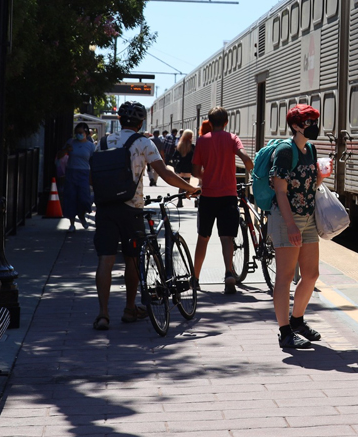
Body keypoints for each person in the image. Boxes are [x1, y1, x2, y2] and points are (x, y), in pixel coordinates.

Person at [92, 102, 198, 331]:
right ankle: (130, 308)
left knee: (105, 260)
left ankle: (102, 315)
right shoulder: (143, 143)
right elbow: (165, 173)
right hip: (131, 208)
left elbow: (92, 177)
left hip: (105, 209)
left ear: (119, 120)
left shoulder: (101, 143)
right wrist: (190, 189)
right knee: (132, 258)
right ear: (141, 124)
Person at [269, 104, 324, 349]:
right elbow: (280, 191)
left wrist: (321, 175)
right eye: (308, 122)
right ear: (295, 126)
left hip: (308, 217)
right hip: (286, 218)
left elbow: (312, 184)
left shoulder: (310, 149)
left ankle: (297, 320)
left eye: (314, 121)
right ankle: (284, 332)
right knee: (285, 277)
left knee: (311, 274)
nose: (313, 126)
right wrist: (291, 225)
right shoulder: (284, 150)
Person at [191, 106, 253, 294]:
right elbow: (246, 159)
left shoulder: (202, 141)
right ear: (226, 122)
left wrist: (207, 175)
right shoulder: (232, 138)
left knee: (203, 237)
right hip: (228, 195)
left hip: (208, 196)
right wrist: (250, 169)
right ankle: (228, 273)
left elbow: (194, 171)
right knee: (227, 237)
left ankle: (195, 278)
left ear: (210, 123)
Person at [60, 122, 97, 232]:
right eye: (76, 133)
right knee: (70, 198)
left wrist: (92, 177)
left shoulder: (90, 146)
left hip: (84, 173)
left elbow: (93, 162)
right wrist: (66, 150)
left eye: (80, 133)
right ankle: (72, 224)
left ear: (86, 133)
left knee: (84, 198)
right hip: (71, 172)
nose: (78, 135)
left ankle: (82, 215)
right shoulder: (71, 143)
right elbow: (59, 156)